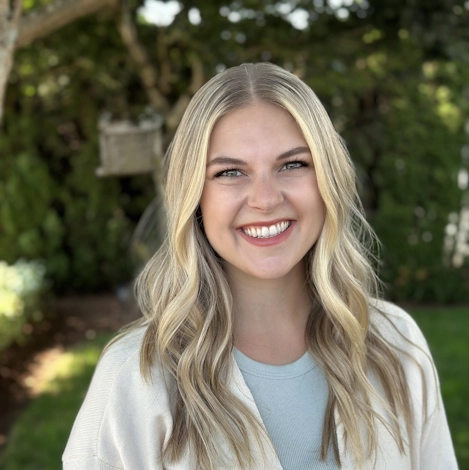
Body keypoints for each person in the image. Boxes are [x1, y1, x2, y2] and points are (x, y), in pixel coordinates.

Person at [63, 63, 458, 470]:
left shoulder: (395, 347)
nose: (265, 199)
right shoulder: (136, 378)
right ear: (195, 196)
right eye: (230, 172)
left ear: (328, 180)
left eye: (293, 165)